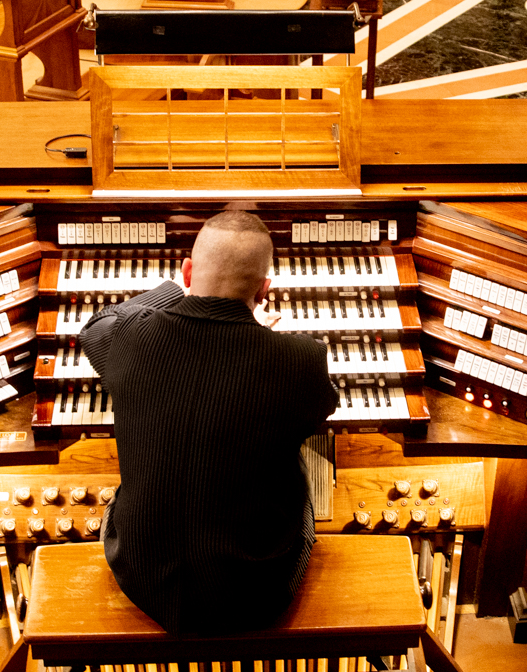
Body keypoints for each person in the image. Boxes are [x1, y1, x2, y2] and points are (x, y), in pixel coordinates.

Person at [80, 209, 339, 634]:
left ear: (187, 270)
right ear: (265, 288)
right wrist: (261, 336)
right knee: (305, 469)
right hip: (256, 591)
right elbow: (319, 409)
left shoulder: (128, 337)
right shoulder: (300, 359)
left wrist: (173, 291)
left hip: (144, 578)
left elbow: (96, 325)